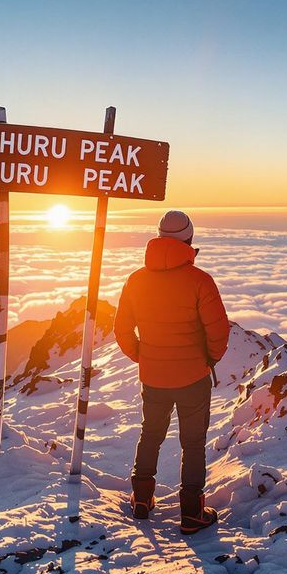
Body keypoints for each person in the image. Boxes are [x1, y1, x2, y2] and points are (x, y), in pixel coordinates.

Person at [114, 210, 229, 534]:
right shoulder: (199, 280)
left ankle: (141, 499)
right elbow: (218, 330)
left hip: (153, 377)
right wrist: (209, 360)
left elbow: (122, 329)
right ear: (189, 240)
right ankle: (192, 513)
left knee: (150, 433)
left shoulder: (137, 279)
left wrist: (143, 356)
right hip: (193, 377)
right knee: (193, 444)